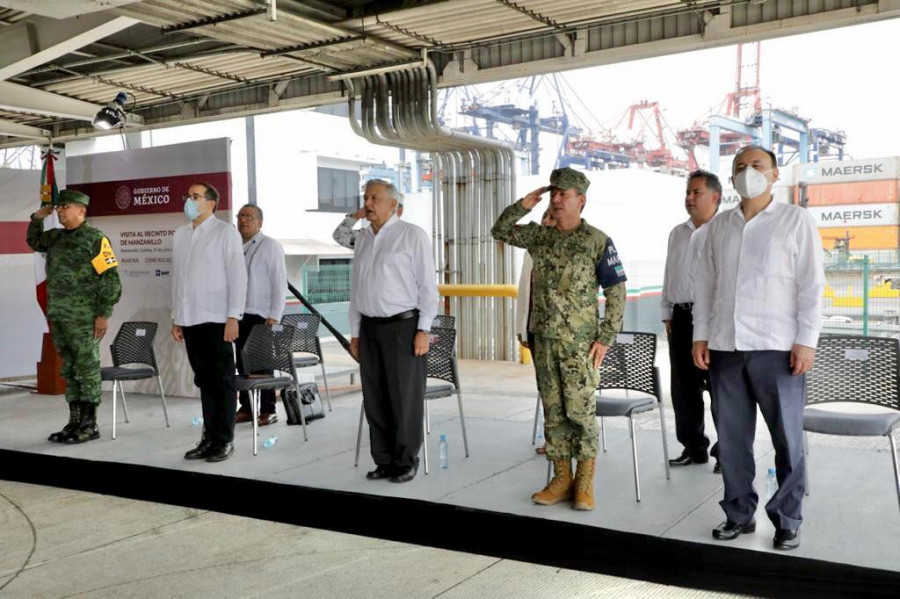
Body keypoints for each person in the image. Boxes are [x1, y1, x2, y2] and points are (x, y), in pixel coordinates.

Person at [692, 145, 825, 551]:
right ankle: (738, 513)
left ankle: (787, 518)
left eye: (756, 166)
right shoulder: (718, 227)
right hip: (726, 347)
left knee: (787, 438)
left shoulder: (795, 221)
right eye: (739, 167)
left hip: (778, 349)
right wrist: (701, 335)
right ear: (731, 177)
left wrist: (806, 341)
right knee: (731, 439)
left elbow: (812, 286)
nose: (747, 172)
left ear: (774, 174)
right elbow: (706, 286)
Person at [492, 167, 627, 511]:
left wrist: (606, 337)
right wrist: (524, 205)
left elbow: (616, 291)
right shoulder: (541, 236)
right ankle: (560, 478)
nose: (556, 199)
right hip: (545, 340)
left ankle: (584, 484)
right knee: (553, 414)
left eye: (563, 194)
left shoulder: (597, 240)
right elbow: (500, 230)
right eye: (554, 193)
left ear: (580, 200)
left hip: (580, 345)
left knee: (580, 414)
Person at [349, 180, 438, 483]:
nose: (369, 203)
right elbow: (357, 289)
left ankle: (405, 460)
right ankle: (384, 459)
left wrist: (424, 329)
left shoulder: (411, 236)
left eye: (374, 198)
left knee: (404, 397)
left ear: (392, 204)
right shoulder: (362, 239)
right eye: (366, 198)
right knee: (375, 397)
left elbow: (428, 288)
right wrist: (355, 333)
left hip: (403, 326)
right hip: (370, 328)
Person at [26, 189, 122, 444]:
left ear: (82, 210)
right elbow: (34, 242)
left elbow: (111, 280)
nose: (59, 211)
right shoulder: (55, 237)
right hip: (59, 315)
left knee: (86, 368)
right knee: (68, 369)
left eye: (65, 207)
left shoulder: (95, 238)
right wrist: (37, 219)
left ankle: (90, 424)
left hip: (84, 318)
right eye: (58, 207)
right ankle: (74, 421)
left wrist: (103, 313)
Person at [172, 182, 247, 463]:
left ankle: (224, 440)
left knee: (222, 382)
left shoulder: (225, 233)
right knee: (204, 382)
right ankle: (208, 438)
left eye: (195, 197)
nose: (189, 201)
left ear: (212, 203)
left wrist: (233, 316)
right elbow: (178, 280)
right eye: (187, 196)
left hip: (217, 319)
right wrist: (176, 317)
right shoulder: (180, 235)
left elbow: (238, 277)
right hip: (189, 319)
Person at [661, 170, 722, 473]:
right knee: (683, 388)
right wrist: (667, 311)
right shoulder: (677, 232)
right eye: (688, 192)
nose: (689, 198)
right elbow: (669, 273)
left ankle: (727, 453)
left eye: (696, 192)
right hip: (681, 317)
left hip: (714, 319)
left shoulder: (725, 231)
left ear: (715, 197)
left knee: (721, 387)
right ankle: (693, 447)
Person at [234, 204, 287, 426]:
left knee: (261, 364)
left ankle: (268, 409)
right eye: (241, 216)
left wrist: (274, 317)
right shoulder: (235, 245)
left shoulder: (270, 246)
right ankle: (246, 407)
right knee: (242, 364)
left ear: (260, 222)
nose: (243, 220)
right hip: (237, 315)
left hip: (261, 315)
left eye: (249, 216)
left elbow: (279, 283)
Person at [516, 208, 557, 455]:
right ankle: (552, 438)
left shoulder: (570, 249)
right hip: (534, 329)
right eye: (545, 217)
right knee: (545, 387)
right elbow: (523, 291)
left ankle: (567, 441)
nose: (547, 221)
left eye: (552, 217)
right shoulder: (531, 250)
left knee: (562, 390)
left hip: (561, 334)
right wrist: (521, 328)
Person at [333, 199, 404, 250]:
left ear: (399, 212)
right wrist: (356, 216)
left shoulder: (408, 237)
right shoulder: (367, 236)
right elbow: (339, 235)